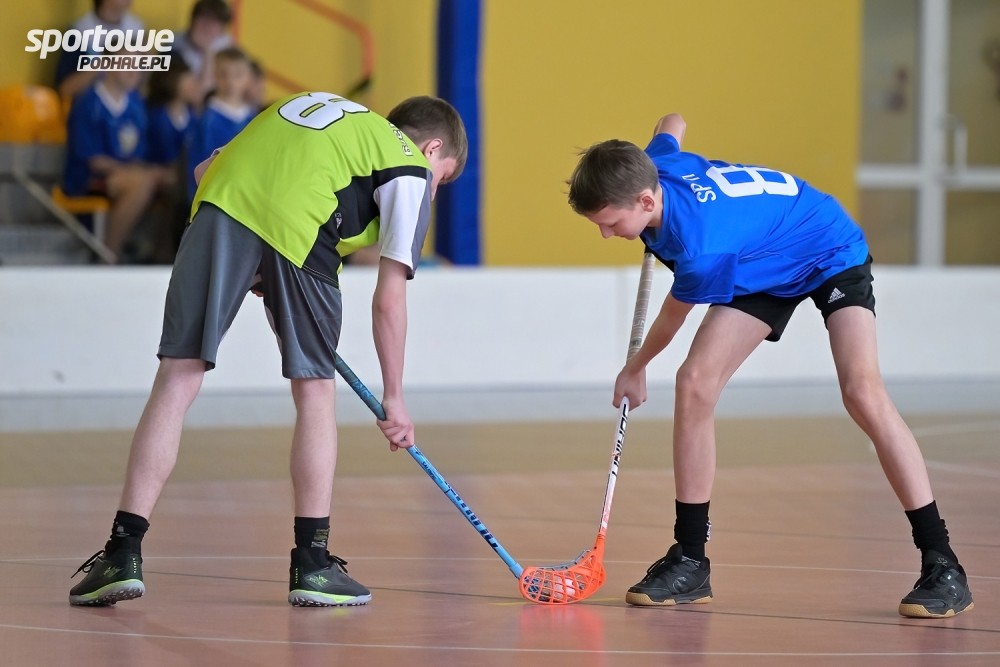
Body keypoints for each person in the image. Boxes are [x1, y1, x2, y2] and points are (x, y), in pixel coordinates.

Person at [566, 113, 973, 619]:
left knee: (862, 392)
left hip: (827, 249)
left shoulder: (701, 244)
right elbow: (673, 122)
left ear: (647, 201)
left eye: (610, 223)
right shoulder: (657, 165)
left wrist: (635, 367)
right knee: (695, 383)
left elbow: (673, 318)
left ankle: (943, 562)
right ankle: (690, 559)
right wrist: (660, 141)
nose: (606, 234)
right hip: (760, 262)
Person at [68, 91, 466, 608]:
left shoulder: (320, 108)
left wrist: (255, 262)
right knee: (315, 392)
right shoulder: (409, 165)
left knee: (177, 378)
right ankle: (313, 564)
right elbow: (389, 300)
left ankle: (122, 553)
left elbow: (204, 170)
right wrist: (395, 398)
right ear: (432, 149)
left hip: (220, 203)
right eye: (442, 180)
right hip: (302, 228)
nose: (433, 194)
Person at [62, 68, 170, 258]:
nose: (134, 72)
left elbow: (139, 152)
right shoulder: (89, 102)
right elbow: (92, 159)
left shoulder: (136, 103)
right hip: (88, 177)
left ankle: (165, 257)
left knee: (173, 180)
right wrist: (132, 170)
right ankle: (109, 255)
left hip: (126, 171)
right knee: (140, 182)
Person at [187, 47, 255, 198]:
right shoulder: (206, 119)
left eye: (238, 75)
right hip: (213, 195)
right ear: (214, 76)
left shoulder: (252, 118)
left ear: (248, 78)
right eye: (224, 75)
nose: (230, 82)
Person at [55, 0, 145, 103]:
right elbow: (64, 89)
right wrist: (103, 65)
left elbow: (144, 83)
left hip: (127, 105)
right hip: (89, 104)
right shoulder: (79, 31)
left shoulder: (136, 28)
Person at [171, 0, 234, 104]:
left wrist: (207, 49)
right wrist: (207, 52)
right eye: (204, 19)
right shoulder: (174, 47)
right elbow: (200, 96)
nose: (208, 26)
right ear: (192, 20)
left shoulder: (227, 46)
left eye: (215, 22)